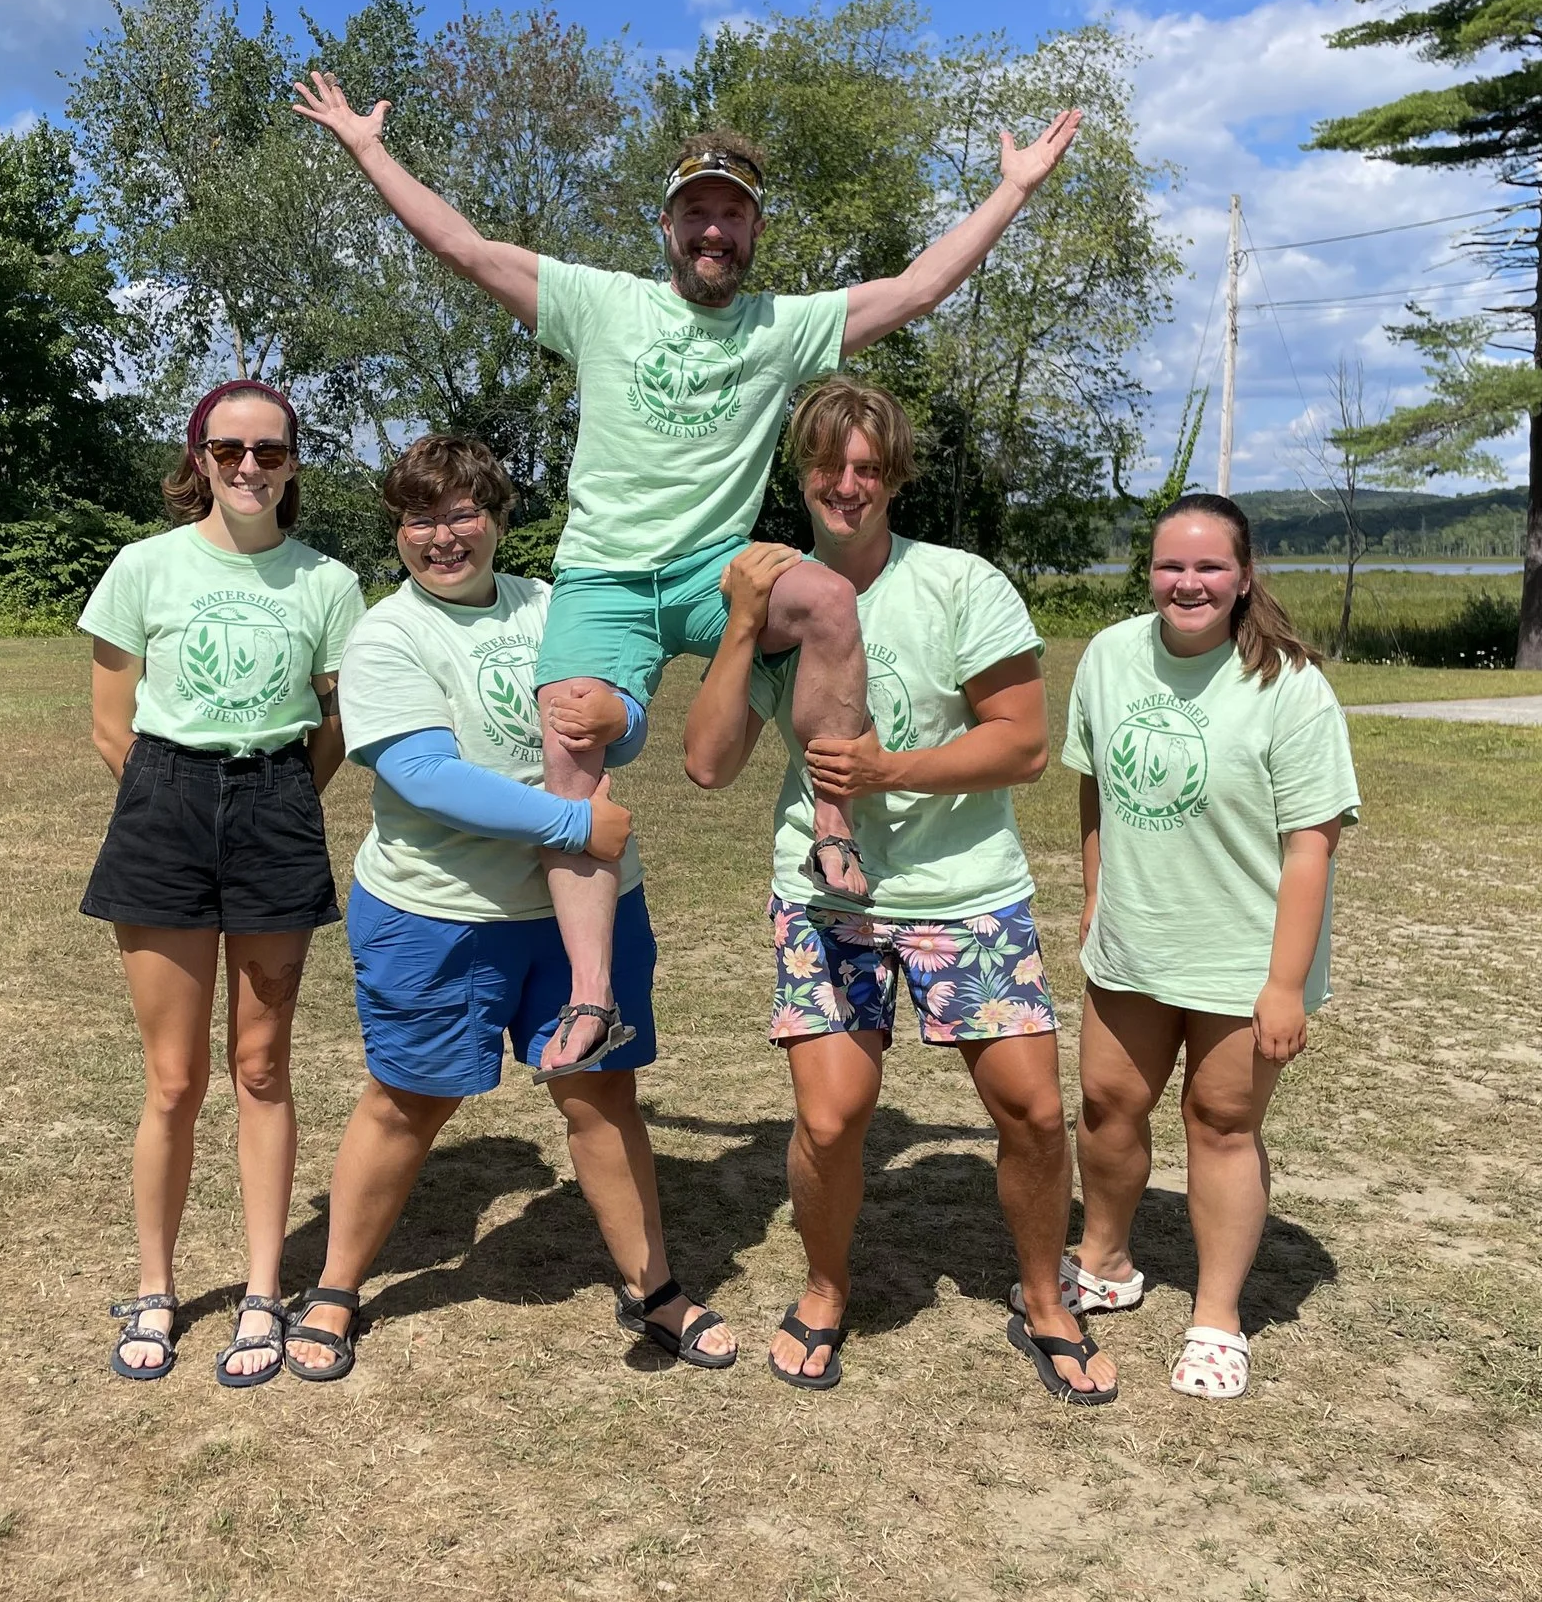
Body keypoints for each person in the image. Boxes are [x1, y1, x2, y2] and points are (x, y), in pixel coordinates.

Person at [291, 73, 1082, 1082]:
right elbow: (464, 248)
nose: (714, 231)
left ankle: (832, 835)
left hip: (716, 572)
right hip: (607, 582)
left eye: (733, 216)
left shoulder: (780, 327)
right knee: (574, 734)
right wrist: (365, 147)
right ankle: (588, 996)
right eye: (697, 212)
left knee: (827, 598)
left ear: (754, 232)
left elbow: (918, 287)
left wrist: (1011, 190)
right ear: (667, 225)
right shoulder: (597, 304)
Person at [680, 378, 1112, 1400]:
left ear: (895, 475)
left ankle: (1043, 1299)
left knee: (1033, 1117)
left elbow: (1021, 746)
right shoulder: (775, 594)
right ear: (804, 473)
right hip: (826, 897)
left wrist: (887, 771)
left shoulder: (963, 585)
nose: (847, 484)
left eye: (868, 466)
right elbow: (706, 764)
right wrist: (739, 626)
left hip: (966, 890)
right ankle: (826, 1289)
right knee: (831, 1123)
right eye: (828, 465)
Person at [282, 434, 735, 1380]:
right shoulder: (386, 634)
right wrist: (575, 825)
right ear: (397, 530)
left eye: (461, 512)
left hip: (588, 907)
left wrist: (628, 721)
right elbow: (422, 774)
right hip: (436, 911)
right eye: (419, 517)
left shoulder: (555, 606)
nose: (442, 536)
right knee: (411, 1099)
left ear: (495, 515)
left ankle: (653, 1289)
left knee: (603, 1095)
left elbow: (616, 710)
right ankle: (335, 1287)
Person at [78, 381, 365, 1387]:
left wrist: (277, 803)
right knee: (173, 1079)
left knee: (261, 1067)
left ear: (293, 462)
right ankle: (155, 1288)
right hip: (163, 802)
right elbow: (112, 726)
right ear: (198, 455)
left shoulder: (328, 583)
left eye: (271, 451)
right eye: (229, 448)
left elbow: (335, 721)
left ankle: (258, 1291)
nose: (250, 467)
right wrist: (181, 801)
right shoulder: (142, 568)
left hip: (277, 800)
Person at [1060, 493, 1360, 1400]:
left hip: (1244, 954)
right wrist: (1094, 891)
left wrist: (1285, 982)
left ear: (1242, 576)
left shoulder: (1290, 684)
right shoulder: (1110, 656)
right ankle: (1104, 1258)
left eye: (1208, 567)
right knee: (1110, 1103)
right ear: (1148, 571)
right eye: (1169, 565)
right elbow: (1095, 788)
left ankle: (1218, 1318)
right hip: (1136, 940)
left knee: (1221, 1123)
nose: (1187, 581)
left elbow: (1313, 842)